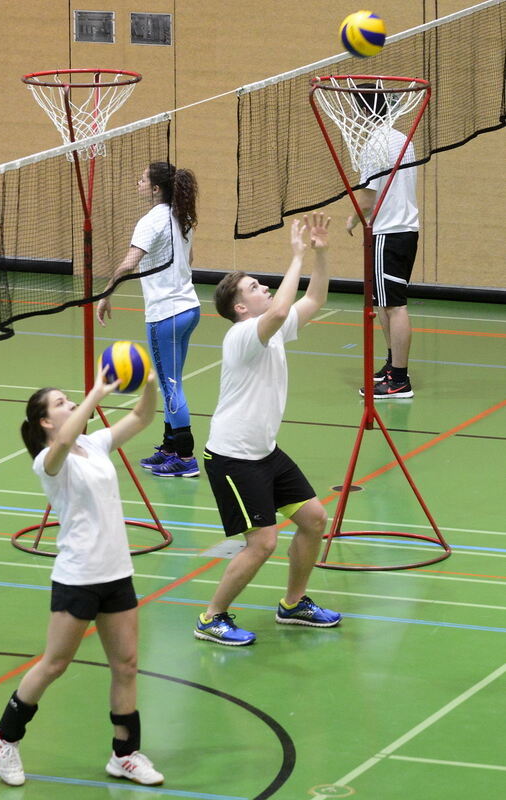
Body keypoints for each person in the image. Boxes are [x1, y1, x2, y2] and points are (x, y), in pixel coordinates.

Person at [0, 366, 164, 787]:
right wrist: (98, 392)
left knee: (126, 665)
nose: (71, 405)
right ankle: (5, 737)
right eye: (62, 403)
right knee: (55, 664)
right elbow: (64, 442)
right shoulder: (48, 462)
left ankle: (124, 755)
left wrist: (151, 386)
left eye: (71, 399)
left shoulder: (95, 444)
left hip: (116, 573)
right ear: (47, 422)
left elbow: (142, 418)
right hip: (78, 576)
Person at [195, 212, 342, 646]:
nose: (264, 289)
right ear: (241, 307)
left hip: (265, 452)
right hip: (232, 457)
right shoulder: (242, 335)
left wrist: (320, 253)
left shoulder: (271, 331)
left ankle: (294, 604)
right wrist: (294, 256)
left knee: (314, 519)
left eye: (262, 284)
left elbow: (312, 300)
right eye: (255, 287)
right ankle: (211, 617)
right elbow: (280, 308)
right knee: (261, 544)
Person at [97, 161, 201, 477]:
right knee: (175, 382)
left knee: (171, 387)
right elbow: (190, 260)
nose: (138, 183)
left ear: (156, 188)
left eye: (142, 179)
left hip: (165, 314)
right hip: (188, 308)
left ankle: (185, 458)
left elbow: (130, 262)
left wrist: (106, 292)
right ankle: (170, 447)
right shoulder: (182, 218)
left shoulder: (151, 220)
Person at [346, 84, 419, 399]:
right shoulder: (403, 138)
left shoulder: (374, 144)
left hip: (388, 231)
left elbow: (367, 198)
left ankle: (399, 379)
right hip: (406, 230)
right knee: (387, 305)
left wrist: (352, 219)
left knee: (394, 305)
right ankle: (392, 368)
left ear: (364, 110)